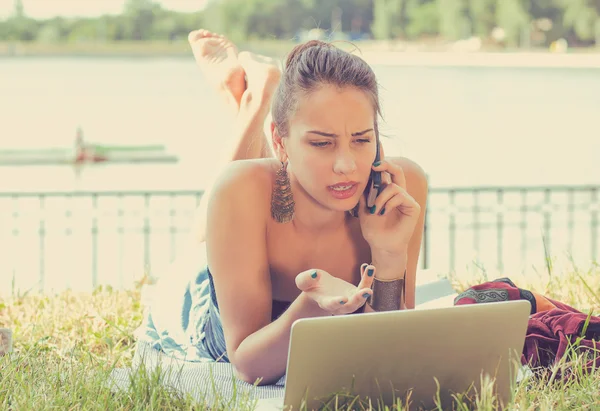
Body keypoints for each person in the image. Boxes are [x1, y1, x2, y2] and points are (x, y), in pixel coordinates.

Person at [138, 29, 428, 387]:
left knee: (247, 186)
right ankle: (251, 105)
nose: (346, 165)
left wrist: (390, 254)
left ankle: (248, 99)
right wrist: (310, 309)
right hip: (204, 307)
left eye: (362, 139)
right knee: (210, 229)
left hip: (258, 221)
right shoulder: (240, 190)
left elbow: (392, 345)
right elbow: (247, 364)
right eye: (322, 143)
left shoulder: (402, 188)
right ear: (280, 140)